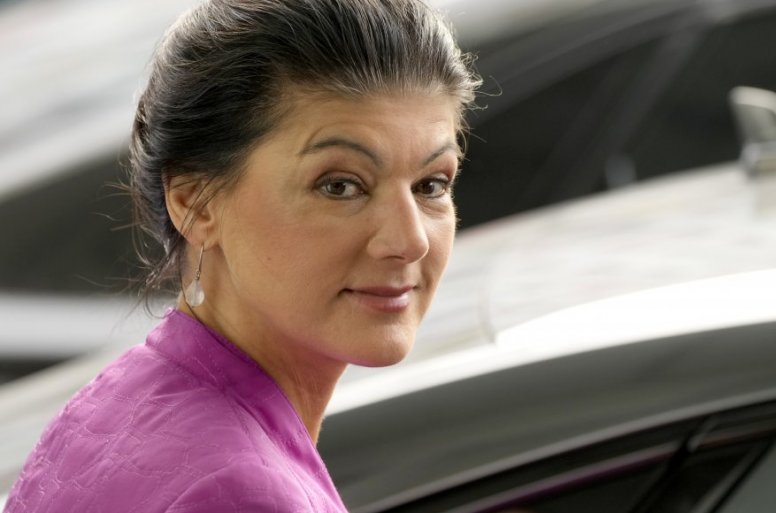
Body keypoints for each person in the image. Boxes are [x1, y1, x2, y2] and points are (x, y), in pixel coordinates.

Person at [4, 0, 480, 511]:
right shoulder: (245, 493)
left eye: (431, 185)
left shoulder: (115, 401)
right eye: (340, 186)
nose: (410, 240)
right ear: (195, 204)